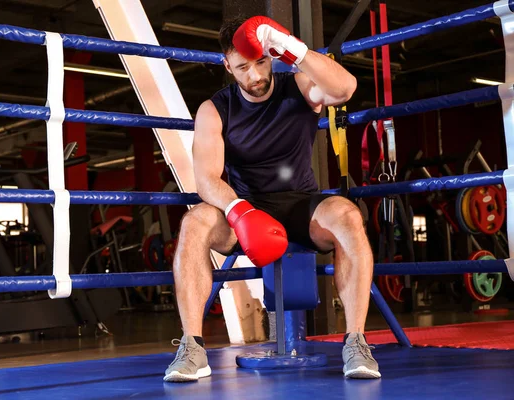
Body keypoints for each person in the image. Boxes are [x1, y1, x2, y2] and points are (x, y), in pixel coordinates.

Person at [163, 15, 380, 382]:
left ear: (270, 55)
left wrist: (294, 49)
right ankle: (192, 348)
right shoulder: (215, 110)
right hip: (244, 208)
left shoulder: (297, 85)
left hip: (302, 205)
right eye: (243, 67)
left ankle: (355, 343)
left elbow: (344, 89)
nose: (255, 76)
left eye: (261, 62)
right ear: (227, 65)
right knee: (195, 221)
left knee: (347, 215)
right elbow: (206, 179)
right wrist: (239, 211)